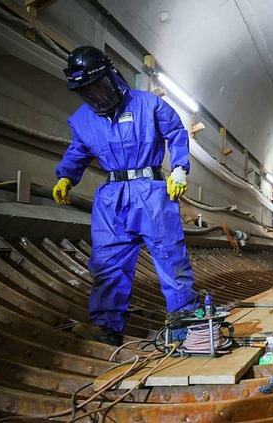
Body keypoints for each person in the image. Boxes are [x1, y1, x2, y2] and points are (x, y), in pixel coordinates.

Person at [53, 46, 197, 346]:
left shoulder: (148, 104)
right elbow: (78, 150)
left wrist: (180, 168)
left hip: (152, 192)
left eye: (99, 87)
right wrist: (66, 176)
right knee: (108, 262)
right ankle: (107, 327)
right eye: (87, 92)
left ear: (113, 77)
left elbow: (176, 133)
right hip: (112, 197)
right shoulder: (83, 120)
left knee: (170, 257)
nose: (96, 97)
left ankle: (185, 323)